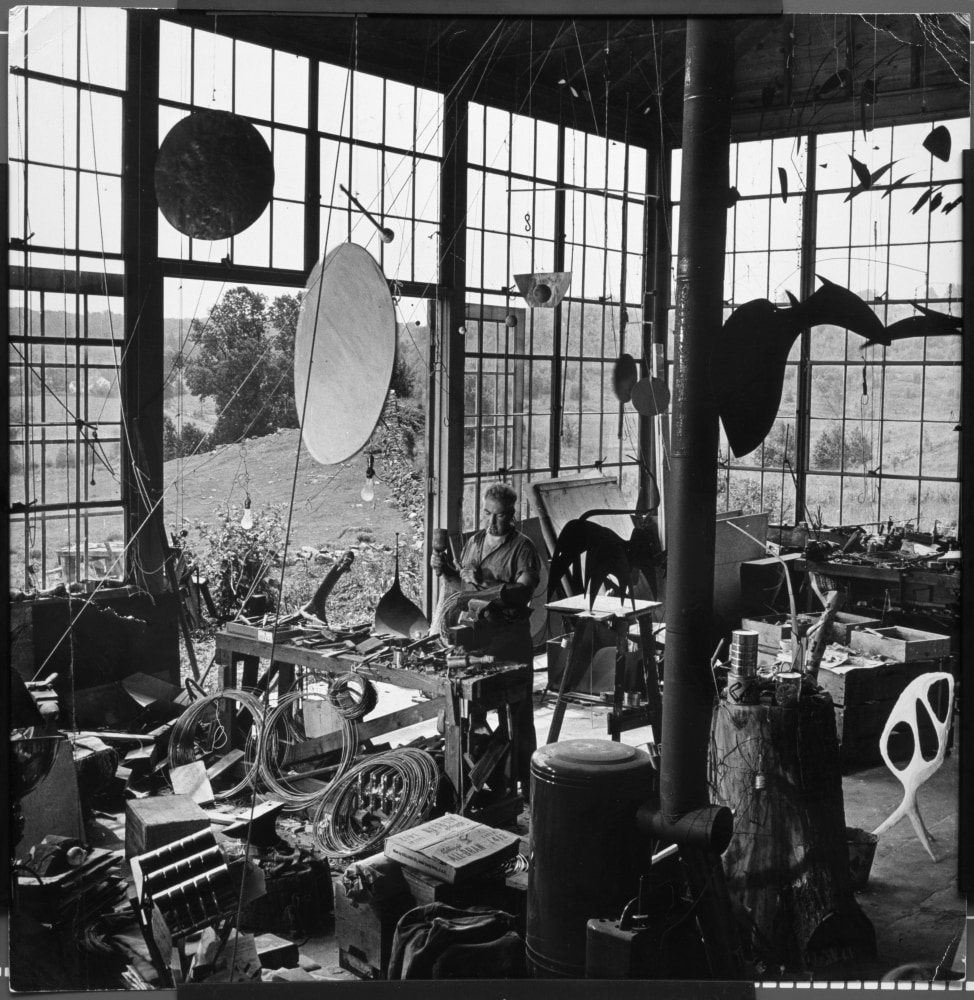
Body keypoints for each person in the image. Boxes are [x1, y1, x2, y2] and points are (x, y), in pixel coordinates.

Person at [430, 482, 541, 798]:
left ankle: (525, 787)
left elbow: (523, 593)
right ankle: (476, 773)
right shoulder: (475, 542)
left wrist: (487, 583)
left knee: (518, 714)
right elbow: (462, 592)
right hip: (476, 636)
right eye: (488, 513)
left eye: (501, 515)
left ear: (512, 515)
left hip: (509, 638)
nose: (493, 522)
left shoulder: (523, 548)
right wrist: (447, 572)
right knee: (468, 703)